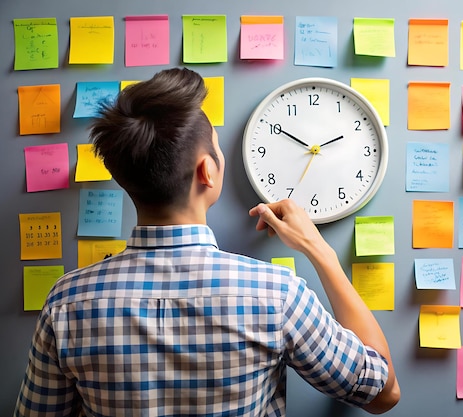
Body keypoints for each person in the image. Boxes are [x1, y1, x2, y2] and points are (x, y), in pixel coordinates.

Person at [14, 68, 400, 417]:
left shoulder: (66, 304)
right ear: (208, 170)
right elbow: (383, 394)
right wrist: (322, 252)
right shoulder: (277, 295)